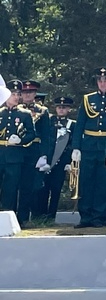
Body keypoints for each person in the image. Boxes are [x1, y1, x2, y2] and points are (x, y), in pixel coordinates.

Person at [70, 66, 106, 229]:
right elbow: (80, 124)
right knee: (86, 181)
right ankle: (86, 216)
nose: (102, 83)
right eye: (100, 80)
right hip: (89, 145)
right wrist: (76, 147)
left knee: (104, 183)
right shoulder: (88, 99)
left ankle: (99, 216)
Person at [34, 96, 76, 222]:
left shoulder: (72, 124)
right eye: (59, 107)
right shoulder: (49, 121)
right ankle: (41, 215)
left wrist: (70, 162)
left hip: (61, 162)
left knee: (56, 189)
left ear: (69, 109)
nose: (61, 110)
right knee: (43, 189)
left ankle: (51, 216)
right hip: (47, 160)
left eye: (64, 107)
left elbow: (73, 144)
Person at [16, 80, 52, 225]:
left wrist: (44, 155)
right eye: (24, 92)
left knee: (28, 185)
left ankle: (24, 217)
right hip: (16, 149)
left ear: (35, 94)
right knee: (12, 184)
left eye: (30, 92)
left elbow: (46, 135)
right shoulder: (14, 109)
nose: (27, 95)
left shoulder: (42, 111)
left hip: (34, 150)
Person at [0, 80, 34, 214]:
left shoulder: (24, 114)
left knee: (11, 188)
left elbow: (32, 134)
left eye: (18, 94)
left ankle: (8, 214)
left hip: (14, 157)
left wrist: (21, 140)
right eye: (13, 93)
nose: (16, 97)